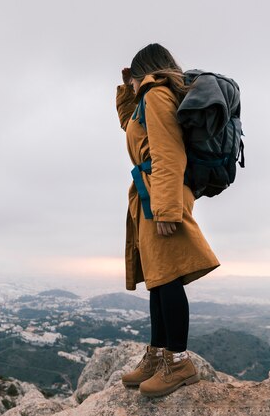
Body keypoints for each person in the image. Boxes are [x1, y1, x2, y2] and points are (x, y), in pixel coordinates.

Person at [115, 43, 220, 398]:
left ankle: (178, 363)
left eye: (132, 77)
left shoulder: (157, 96)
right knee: (159, 278)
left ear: (143, 71)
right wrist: (125, 90)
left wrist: (165, 209)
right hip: (154, 192)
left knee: (169, 278)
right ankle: (158, 354)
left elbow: (167, 152)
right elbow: (133, 130)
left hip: (161, 193)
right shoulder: (147, 99)